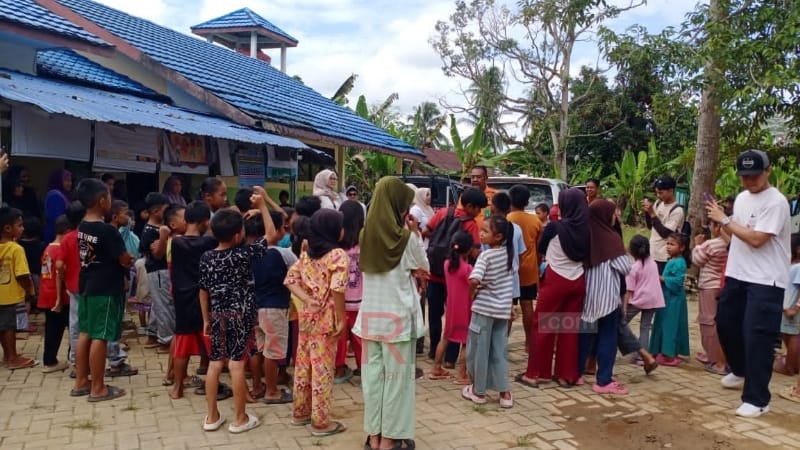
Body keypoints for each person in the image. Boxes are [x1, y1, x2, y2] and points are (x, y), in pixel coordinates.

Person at [706, 149, 792, 418]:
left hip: (767, 280)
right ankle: (741, 369)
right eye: (745, 176)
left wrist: (726, 220)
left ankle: (758, 399)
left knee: (758, 338)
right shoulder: (742, 199)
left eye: (755, 175)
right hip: (738, 273)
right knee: (726, 324)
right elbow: (739, 238)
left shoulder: (776, 202)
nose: (750, 181)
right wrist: (720, 228)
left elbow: (757, 239)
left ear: (768, 171)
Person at [353, 176, 428, 450]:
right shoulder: (407, 240)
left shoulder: (364, 236)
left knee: (373, 381)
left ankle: (373, 438)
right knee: (397, 383)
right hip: (398, 322)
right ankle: (389, 442)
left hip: (370, 320)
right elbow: (424, 266)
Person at [198, 188, 275, 433]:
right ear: (237, 234)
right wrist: (262, 206)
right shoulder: (243, 253)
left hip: (217, 314)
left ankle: (211, 417)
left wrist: (205, 319)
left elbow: (203, 290)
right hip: (241, 315)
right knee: (236, 365)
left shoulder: (207, 257)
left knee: (214, 364)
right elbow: (272, 236)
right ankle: (240, 419)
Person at [284, 208, 348, 437]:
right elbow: (338, 288)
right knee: (322, 369)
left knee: (303, 365)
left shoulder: (306, 254)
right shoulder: (338, 255)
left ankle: (300, 412)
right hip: (327, 319)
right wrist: (341, 318)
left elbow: (290, 280)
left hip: (307, 318)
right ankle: (321, 423)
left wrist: (308, 300)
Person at [70, 178, 134, 401]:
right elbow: (123, 258)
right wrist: (128, 260)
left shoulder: (82, 227)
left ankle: (81, 381)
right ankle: (98, 387)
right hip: (105, 288)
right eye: (108, 195)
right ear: (102, 201)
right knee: (101, 335)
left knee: (85, 332)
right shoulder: (107, 230)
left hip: (86, 284)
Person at [518, 188, 588, 388]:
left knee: (543, 327)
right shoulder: (586, 228)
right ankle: (566, 375)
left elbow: (540, 251)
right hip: (578, 280)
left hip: (555, 279)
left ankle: (536, 374)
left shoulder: (554, 228)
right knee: (569, 328)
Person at [422, 187, 487, 364]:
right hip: (456, 280)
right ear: (471, 206)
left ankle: (434, 351)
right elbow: (474, 251)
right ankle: (450, 358)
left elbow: (426, 231)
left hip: (436, 272)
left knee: (434, 315)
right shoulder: (470, 224)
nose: (479, 212)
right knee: (455, 318)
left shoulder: (443, 212)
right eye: (478, 209)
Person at [162, 201, 218, 400]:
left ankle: (177, 387)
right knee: (212, 345)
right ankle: (215, 383)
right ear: (205, 222)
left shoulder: (177, 242)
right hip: (203, 298)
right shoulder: (209, 243)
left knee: (182, 344)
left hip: (181, 297)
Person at [578, 199, 632, 395]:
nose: (614, 217)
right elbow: (625, 267)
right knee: (608, 337)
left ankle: (575, 374)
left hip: (587, 296)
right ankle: (603, 380)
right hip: (608, 297)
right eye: (612, 213)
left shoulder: (585, 235)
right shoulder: (611, 238)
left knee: (585, 335)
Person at [462, 215, 515, 408]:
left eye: (485, 231)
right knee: (499, 351)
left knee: (478, 351)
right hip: (501, 312)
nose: (481, 234)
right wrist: (509, 308)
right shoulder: (509, 255)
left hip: (483, 311)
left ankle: (478, 391)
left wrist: (471, 294)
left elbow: (474, 279)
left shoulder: (486, 255)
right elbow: (508, 284)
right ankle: (505, 394)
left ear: (498, 236)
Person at [247, 210, 297, 404]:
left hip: (255, 307)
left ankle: (258, 386)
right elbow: (298, 272)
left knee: (260, 348)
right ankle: (272, 390)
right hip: (275, 307)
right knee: (272, 351)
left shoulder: (249, 252)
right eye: (282, 227)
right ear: (275, 230)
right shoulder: (283, 253)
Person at [429, 231, 473, 383]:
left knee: (446, 338)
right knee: (467, 342)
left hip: (452, 309)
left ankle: (436, 368)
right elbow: (474, 287)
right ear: (468, 249)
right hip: (466, 310)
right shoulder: (468, 269)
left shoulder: (447, 264)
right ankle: (462, 374)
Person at [619, 235, 662, 373]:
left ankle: (636, 350)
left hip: (638, 300)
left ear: (632, 251)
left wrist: (624, 308)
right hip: (653, 300)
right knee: (645, 328)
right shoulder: (653, 263)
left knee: (621, 323)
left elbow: (628, 291)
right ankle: (640, 357)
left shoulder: (634, 268)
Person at [0, 207, 37, 369]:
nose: (22, 229)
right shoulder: (16, 249)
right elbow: (22, 275)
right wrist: (30, 291)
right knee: (9, 328)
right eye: (19, 225)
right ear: (8, 228)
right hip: (9, 295)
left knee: (3, 327)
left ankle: (7, 354)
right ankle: (12, 358)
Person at [507, 185, 542, 352]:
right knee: (527, 305)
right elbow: (539, 247)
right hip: (529, 269)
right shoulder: (536, 220)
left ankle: (501, 341)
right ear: (527, 201)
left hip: (510, 269)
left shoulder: (506, 219)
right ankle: (529, 342)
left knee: (508, 306)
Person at [692, 221, 729, 375]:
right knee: (717, 320)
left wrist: (697, 245)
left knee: (708, 321)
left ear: (718, 227)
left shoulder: (712, 244)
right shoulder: (731, 244)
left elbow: (697, 260)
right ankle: (713, 354)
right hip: (721, 285)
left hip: (708, 285)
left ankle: (713, 356)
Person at [334, 200, 365, 383]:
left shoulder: (336, 244)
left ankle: (338, 370)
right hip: (362, 299)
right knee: (361, 338)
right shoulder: (365, 242)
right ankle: (363, 371)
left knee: (339, 337)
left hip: (340, 300)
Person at [139, 193, 174, 354]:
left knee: (158, 303)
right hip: (159, 271)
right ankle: (166, 339)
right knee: (164, 305)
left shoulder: (158, 228)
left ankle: (153, 334)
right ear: (156, 211)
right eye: (166, 210)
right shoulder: (151, 231)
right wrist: (164, 238)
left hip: (158, 272)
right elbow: (157, 254)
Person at [649, 233, 690, 367]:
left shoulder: (679, 262)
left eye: (672, 244)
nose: (668, 247)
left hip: (674, 299)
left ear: (682, 247)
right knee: (663, 322)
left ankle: (668, 354)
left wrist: (663, 279)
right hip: (666, 297)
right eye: (668, 243)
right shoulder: (672, 260)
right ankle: (661, 351)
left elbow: (678, 282)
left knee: (670, 324)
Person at [39, 215, 70, 373]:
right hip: (60, 297)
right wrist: (59, 298)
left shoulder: (48, 248)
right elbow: (60, 274)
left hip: (46, 293)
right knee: (73, 328)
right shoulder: (60, 249)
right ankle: (73, 359)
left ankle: (49, 360)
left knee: (52, 329)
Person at [642, 176, 684, 273]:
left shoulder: (677, 210)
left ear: (671, 191)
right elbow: (651, 226)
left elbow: (665, 234)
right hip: (653, 252)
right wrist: (647, 213)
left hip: (665, 257)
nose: (658, 195)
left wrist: (652, 213)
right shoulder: (658, 203)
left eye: (661, 193)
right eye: (656, 192)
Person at [775, 233, 800, 376]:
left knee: (794, 336)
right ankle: (793, 364)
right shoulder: (790, 265)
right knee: (787, 335)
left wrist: (796, 308)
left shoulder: (798, 267)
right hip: (785, 307)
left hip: (792, 309)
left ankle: (790, 367)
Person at [43, 169, 73, 243]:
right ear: (58, 181)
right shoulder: (55, 196)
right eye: (66, 180)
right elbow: (57, 220)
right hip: (55, 237)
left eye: (70, 181)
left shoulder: (62, 195)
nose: (70, 183)